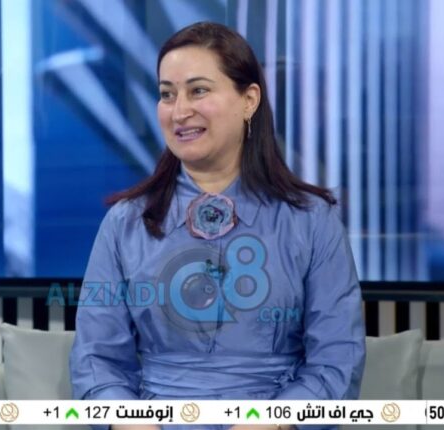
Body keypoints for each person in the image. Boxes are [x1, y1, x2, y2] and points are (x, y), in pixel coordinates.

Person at [69, 22, 365, 430]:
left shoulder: (312, 220)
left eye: (198, 90)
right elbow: (96, 360)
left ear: (249, 100)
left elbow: (337, 360)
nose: (179, 111)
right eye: (167, 94)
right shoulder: (125, 222)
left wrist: (270, 422)